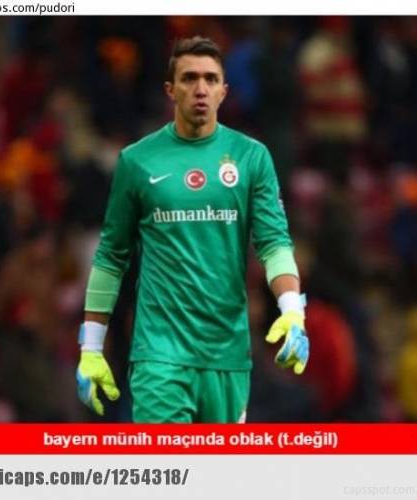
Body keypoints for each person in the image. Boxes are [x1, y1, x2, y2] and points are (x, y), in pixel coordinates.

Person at [76, 36, 309, 423]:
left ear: (223, 91)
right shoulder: (137, 161)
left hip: (228, 356)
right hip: (159, 357)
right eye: (189, 78)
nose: (200, 88)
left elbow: (274, 244)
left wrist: (292, 311)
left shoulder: (252, 157)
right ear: (171, 90)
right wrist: (91, 346)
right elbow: (111, 256)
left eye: (210, 79)